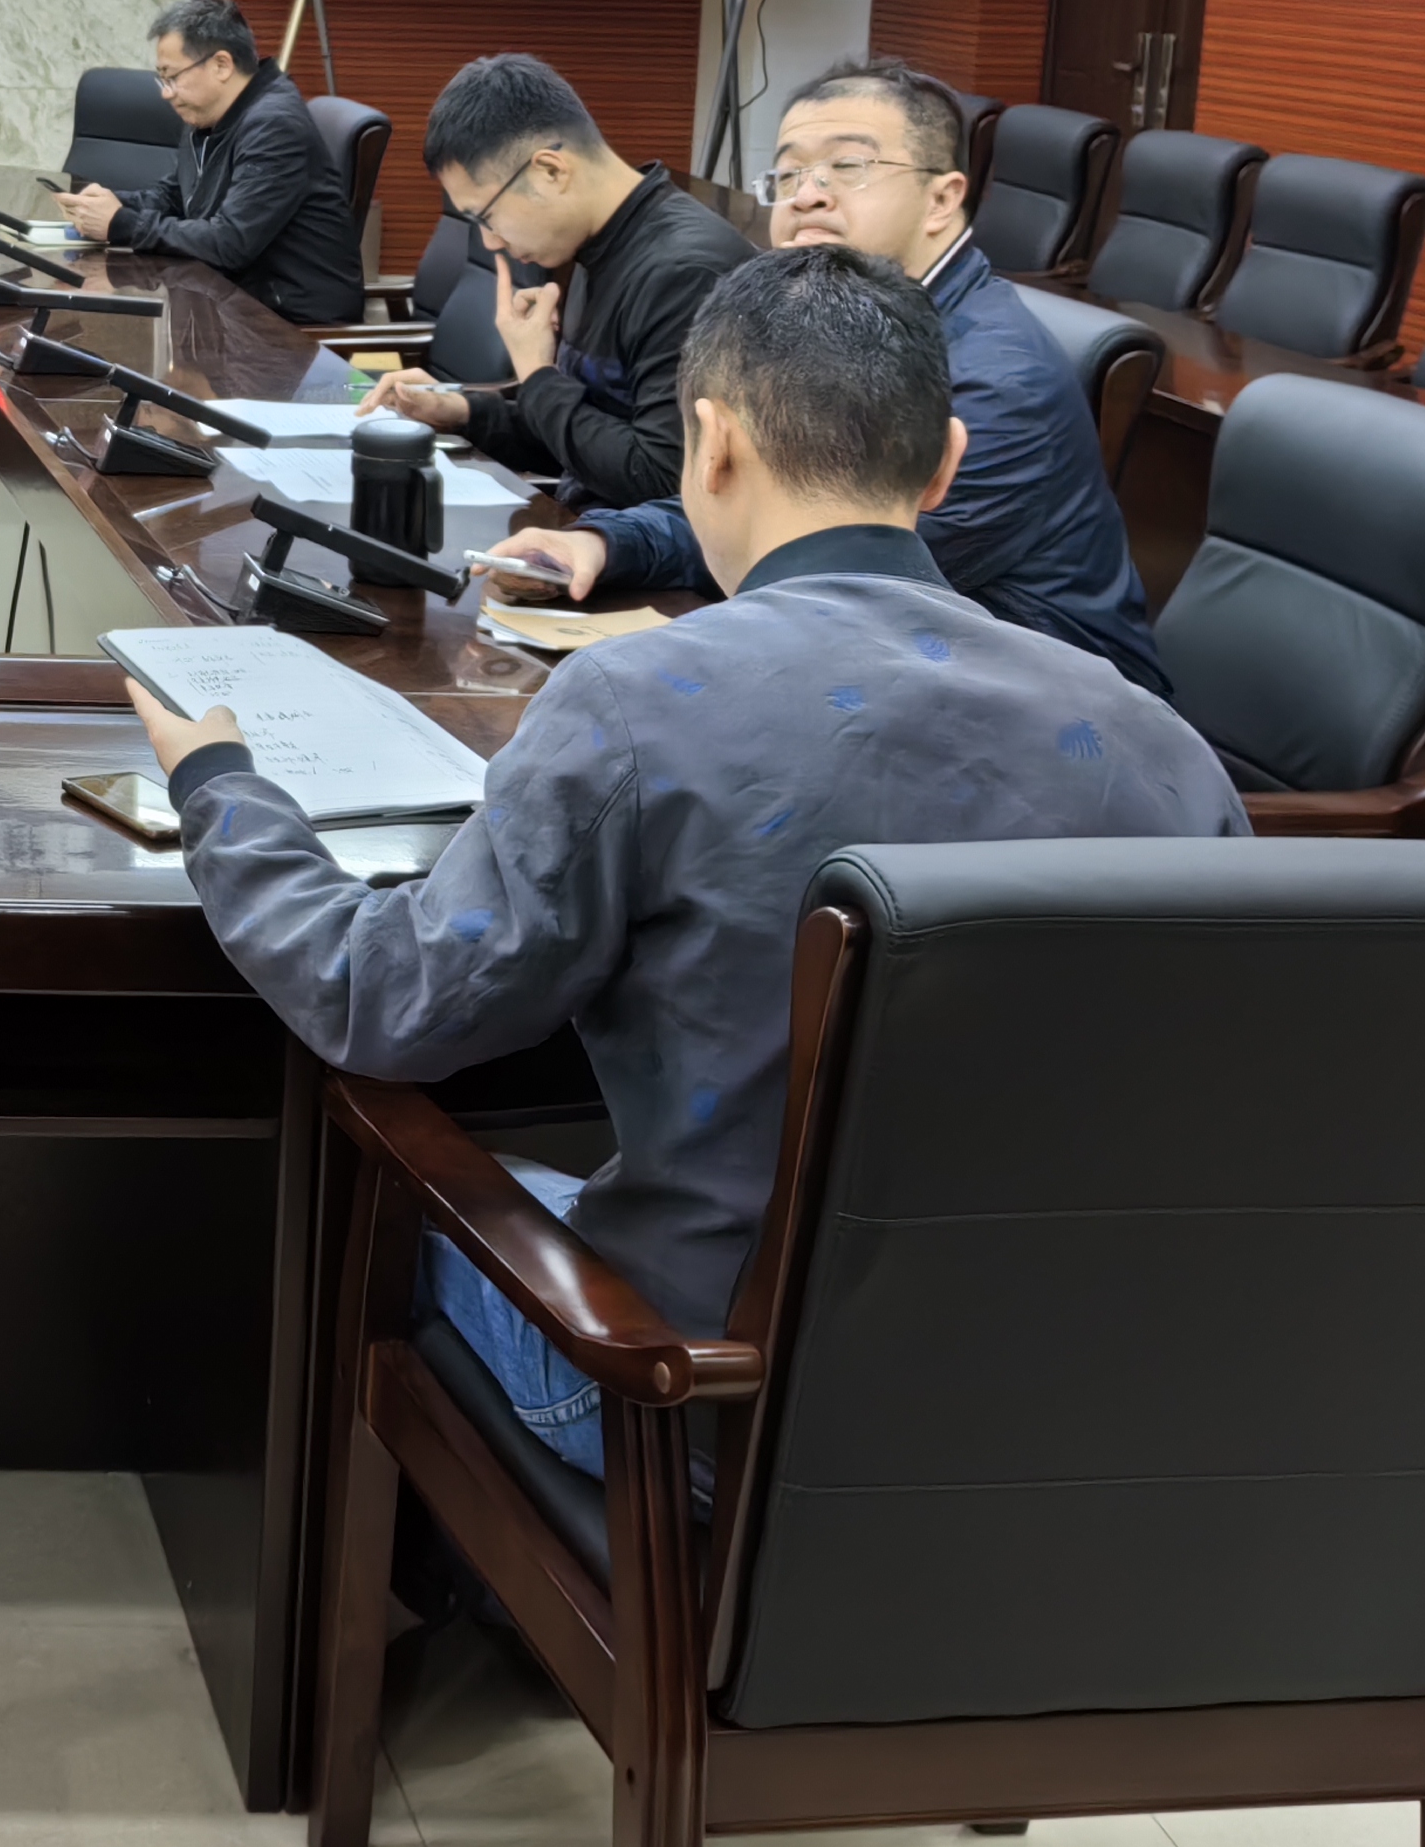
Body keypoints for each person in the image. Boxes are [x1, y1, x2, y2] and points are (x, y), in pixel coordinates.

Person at [133, 244, 1245, 1469]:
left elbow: (381, 1002)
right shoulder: (1164, 749)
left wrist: (221, 786)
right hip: (1076, 1414)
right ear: (944, 464)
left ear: (708, 446)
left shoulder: (636, 702)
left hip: (699, 1406)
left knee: (393, 1186)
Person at [485, 55, 1166, 689]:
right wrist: (605, 543)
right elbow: (773, 513)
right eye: (788, 175)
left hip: (1054, 717)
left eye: (847, 167)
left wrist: (621, 546)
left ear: (941, 199)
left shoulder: (996, 383)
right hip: (902, 672)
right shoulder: (832, 322)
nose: (807, 196)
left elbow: (825, 554)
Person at [362, 51, 752, 506]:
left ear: (551, 171)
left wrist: (537, 375)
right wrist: (461, 411)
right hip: (577, 525)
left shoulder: (687, 274)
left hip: (625, 544)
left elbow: (661, 478)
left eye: (485, 216)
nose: (489, 241)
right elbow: (581, 436)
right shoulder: (595, 243)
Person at [50, 0, 365, 326]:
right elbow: (175, 196)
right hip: (231, 302)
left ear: (221, 65)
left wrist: (122, 224)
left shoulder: (274, 125)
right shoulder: (208, 115)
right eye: (162, 78)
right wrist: (110, 205)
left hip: (288, 323)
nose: (166, 92)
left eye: (172, 76)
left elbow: (231, 242)